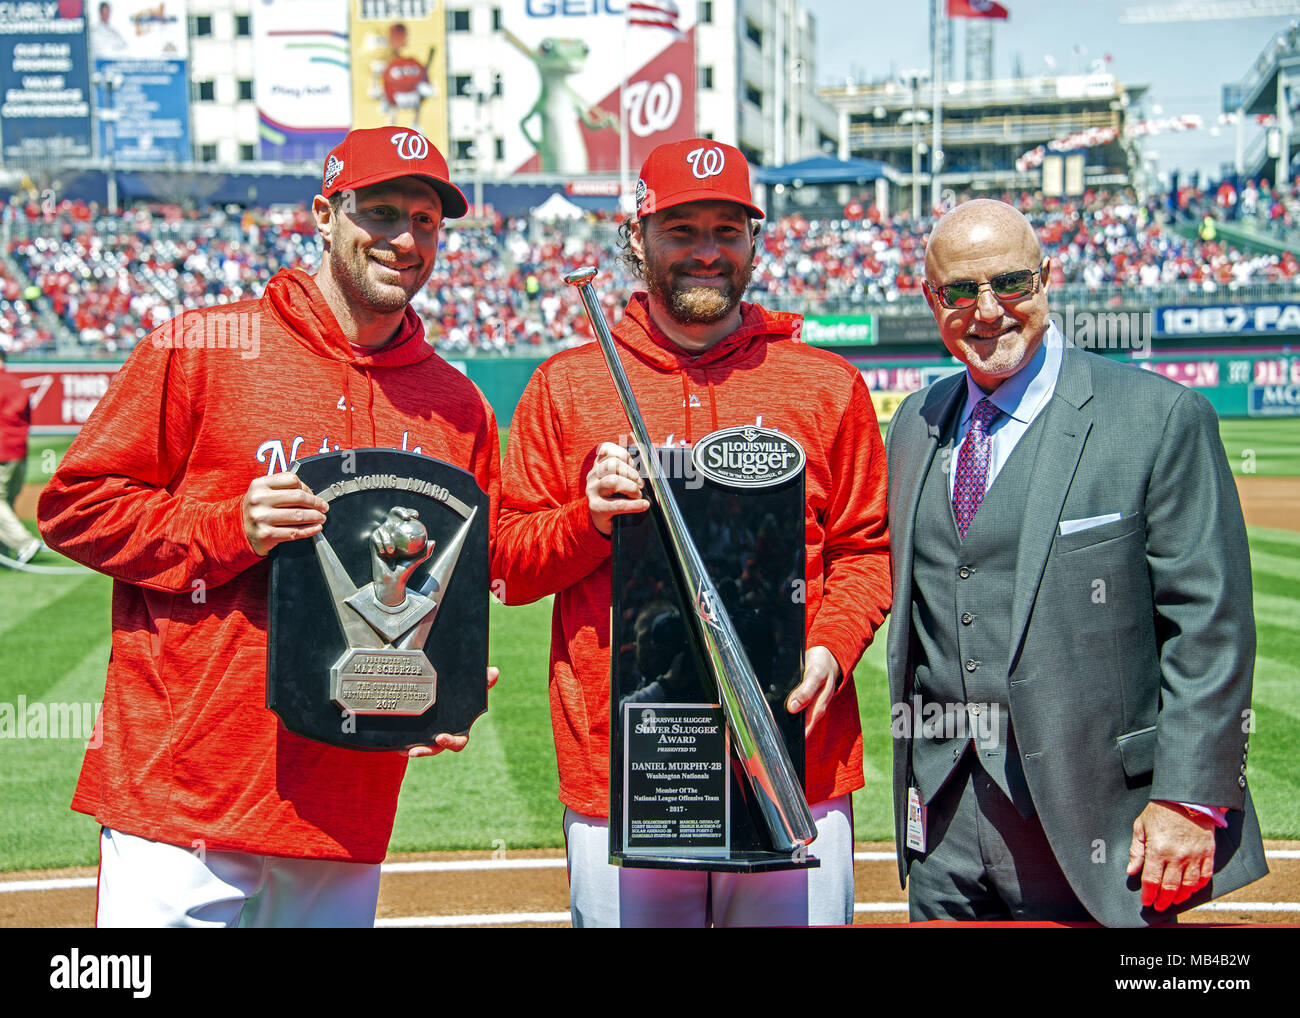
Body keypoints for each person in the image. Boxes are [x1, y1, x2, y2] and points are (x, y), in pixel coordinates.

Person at [37, 127, 501, 928]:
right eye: (381, 211)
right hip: (183, 794)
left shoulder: (456, 403)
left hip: (346, 796)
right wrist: (231, 527)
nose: (405, 239)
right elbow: (74, 506)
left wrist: (444, 681)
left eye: (426, 220)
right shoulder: (206, 341)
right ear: (324, 213)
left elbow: (455, 582)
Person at [494, 138, 891, 927]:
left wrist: (832, 649)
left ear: (755, 239)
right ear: (636, 239)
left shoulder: (826, 384)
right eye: (681, 230)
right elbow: (506, 568)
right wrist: (589, 522)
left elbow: (864, 552)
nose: (706, 253)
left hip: (794, 759)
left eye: (727, 230)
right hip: (629, 777)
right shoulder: (567, 386)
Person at [884, 198, 1266, 927]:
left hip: (1096, 822)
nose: (987, 310)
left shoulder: (1157, 417)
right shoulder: (916, 422)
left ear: (1049, 278)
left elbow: (1210, 620)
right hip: (943, 824)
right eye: (960, 292)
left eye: (1012, 284)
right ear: (932, 299)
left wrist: (1189, 797)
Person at [0, 350, 41, 564]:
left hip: (2, 450)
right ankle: (4, 553)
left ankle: (24, 543)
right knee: (6, 501)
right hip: (19, 450)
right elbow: (28, 417)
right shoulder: (16, 384)